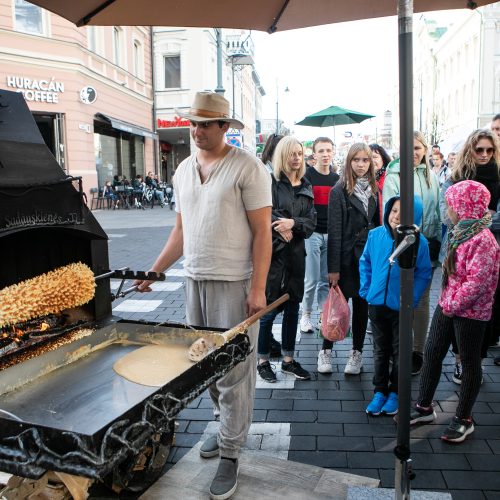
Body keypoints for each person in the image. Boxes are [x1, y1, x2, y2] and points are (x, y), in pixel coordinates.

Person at [135, 91, 272, 500]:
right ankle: (222, 427)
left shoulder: (247, 167)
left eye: (205, 124)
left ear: (224, 127)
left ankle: (231, 451)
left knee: (234, 371)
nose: (196, 131)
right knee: (206, 366)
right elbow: (181, 230)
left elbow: (263, 231)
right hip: (194, 280)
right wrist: (156, 270)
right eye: (192, 123)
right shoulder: (181, 170)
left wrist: (260, 287)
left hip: (235, 281)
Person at [410, 180, 500, 443]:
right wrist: (447, 304)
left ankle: (464, 419)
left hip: (470, 312)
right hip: (449, 304)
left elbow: (478, 282)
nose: (446, 210)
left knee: (470, 363)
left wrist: (450, 305)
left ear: (463, 207)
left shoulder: (483, 239)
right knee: (433, 351)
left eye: (450, 205)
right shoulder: (459, 231)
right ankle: (424, 407)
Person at [360, 195, 432, 415]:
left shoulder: (419, 242)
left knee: (401, 351)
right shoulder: (375, 235)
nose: (396, 216)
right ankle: (379, 390)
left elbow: (424, 273)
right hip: (377, 304)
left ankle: (396, 392)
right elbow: (366, 262)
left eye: (404, 212)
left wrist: (411, 299)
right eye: (393, 210)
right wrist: (366, 289)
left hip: (401, 306)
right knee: (380, 350)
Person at [439, 129, 500, 383]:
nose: (484, 155)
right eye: (479, 150)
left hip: (493, 246)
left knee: (488, 307)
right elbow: (447, 214)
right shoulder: (455, 178)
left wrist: (475, 222)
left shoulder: (498, 177)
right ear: (470, 151)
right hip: (457, 248)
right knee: (457, 303)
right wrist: (482, 220)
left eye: (489, 150)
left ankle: (476, 359)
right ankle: (459, 359)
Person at [257, 137, 316, 382]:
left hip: (296, 257)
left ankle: (288, 360)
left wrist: (293, 223)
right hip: (273, 255)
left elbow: (311, 223)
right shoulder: (269, 183)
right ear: (282, 155)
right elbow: (263, 214)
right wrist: (280, 224)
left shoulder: (306, 185)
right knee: (268, 310)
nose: (296, 158)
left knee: (292, 308)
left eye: (299, 154)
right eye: (291, 153)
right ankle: (262, 361)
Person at [383, 131, 441, 376]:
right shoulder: (394, 176)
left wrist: (437, 239)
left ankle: (418, 350)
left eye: (418, 148)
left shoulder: (431, 175)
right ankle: (397, 349)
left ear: (425, 149)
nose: (414, 153)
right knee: (399, 298)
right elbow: (392, 215)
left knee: (423, 299)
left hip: (428, 244)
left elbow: (436, 209)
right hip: (404, 245)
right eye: (409, 148)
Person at [318, 143, 379, 375]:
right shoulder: (339, 190)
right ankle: (326, 350)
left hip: (367, 258)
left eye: (365, 160)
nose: (361, 165)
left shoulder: (374, 190)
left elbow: (377, 224)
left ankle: (357, 353)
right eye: (356, 160)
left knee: (362, 306)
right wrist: (333, 268)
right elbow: (334, 233)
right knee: (335, 307)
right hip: (345, 258)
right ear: (349, 162)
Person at [299, 137, 339, 334]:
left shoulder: (337, 179)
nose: (325, 154)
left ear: (333, 153)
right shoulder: (307, 177)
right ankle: (305, 314)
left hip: (331, 234)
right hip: (312, 234)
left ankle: (324, 315)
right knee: (311, 278)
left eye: (328, 150)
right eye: (321, 151)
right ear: (314, 154)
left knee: (326, 279)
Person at [258, 133, 285, 358]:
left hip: (275, 240)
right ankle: (262, 345)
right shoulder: (265, 174)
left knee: (274, 298)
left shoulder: (277, 174)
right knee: (268, 298)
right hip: (269, 241)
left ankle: (268, 340)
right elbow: (265, 210)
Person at [369, 143, 392, 223]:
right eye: (369, 158)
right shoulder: (362, 180)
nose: (372, 160)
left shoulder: (390, 178)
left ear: (383, 159)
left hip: (388, 223)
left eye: (375, 157)